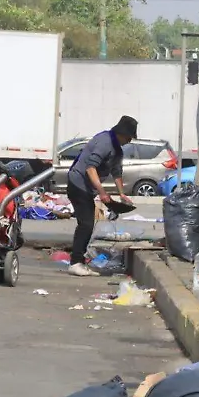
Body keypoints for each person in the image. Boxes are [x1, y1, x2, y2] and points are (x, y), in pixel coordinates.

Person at [65, 116, 137, 277]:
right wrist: (102, 193)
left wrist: (121, 194)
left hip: (87, 187)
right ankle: (75, 262)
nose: (129, 140)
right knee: (86, 224)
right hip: (78, 183)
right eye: (129, 137)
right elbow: (91, 169)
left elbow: (117, 172)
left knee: (87, 223)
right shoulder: (105, 142)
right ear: (121, 133)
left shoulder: (117, 148)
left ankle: (79, 261)